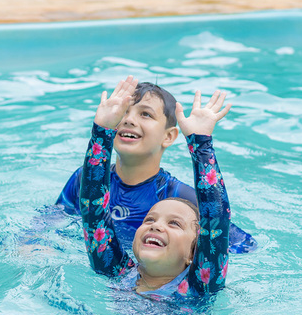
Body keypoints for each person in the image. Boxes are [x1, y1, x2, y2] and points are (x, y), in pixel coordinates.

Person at [56, 80, 256, 253]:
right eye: (123, 112)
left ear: (168, 136)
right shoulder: (85, 179)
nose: (129, 119)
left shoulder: (179, 197)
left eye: (145, 114)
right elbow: (52, 217)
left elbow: (241, 243)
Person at [79, 76, 231, 300]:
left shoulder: (199, 286)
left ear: (193, 253)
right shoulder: (116, 271)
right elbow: (94, 212)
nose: (156, 226)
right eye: (149, 220)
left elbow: (216, 220)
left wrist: (200, 143)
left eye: (174, 223)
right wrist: (103, 130)